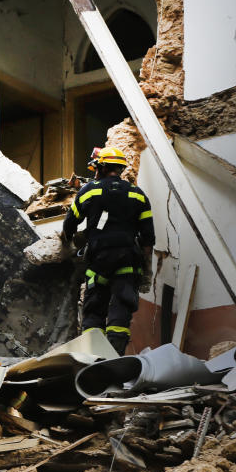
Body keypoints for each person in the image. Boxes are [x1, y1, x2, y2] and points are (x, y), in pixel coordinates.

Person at [62, 146, 155, 355]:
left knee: (94, 306)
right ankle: (114, 358)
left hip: (99, 259)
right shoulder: (137, 194)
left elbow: (70, 224)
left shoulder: (89, 191)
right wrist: (147, 266)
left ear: (101, 167)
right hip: (128, 259)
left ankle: (94, 359)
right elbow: (148, 236)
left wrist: (68, 241)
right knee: (122, 306)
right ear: (120, 169)